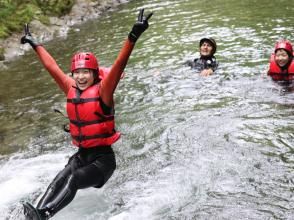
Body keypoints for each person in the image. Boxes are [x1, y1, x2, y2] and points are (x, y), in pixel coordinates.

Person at [20, 9, 152, 220]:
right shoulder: (71, 88)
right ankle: (35, 216)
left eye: (86, 72)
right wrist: (35, 44)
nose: (81, 77)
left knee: (73, 179)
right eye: (77, 72)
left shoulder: (103, 92)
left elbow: (119, 65)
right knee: (58, 180)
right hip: (82, 155)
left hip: (102, 162)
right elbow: (52, 67)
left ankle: (44, 215)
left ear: (94, 74)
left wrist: (133, 36)